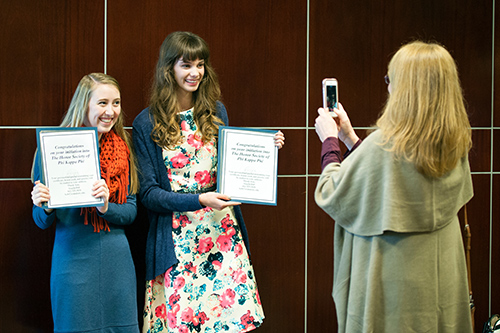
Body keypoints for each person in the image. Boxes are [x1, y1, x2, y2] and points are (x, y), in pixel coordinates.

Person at [314, 41, 473, 332]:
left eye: (391, 80)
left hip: (392, 281)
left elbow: (332, 192)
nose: (388, 88)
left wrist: (330, 140)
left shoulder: (385, 145)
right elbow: (393, 179)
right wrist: (351, 139)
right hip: (440, 279)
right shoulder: (455, 142)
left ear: (406, 89)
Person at [133, 31, 284, 333]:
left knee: (228, 324)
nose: (195, 73)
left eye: (200, 65)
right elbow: (149, 195)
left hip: (222, 234)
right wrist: (199, 200)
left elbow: (232, 168)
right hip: (177, 243)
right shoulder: (146, 122)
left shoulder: (216, 112)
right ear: (169, 69)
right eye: (186, 65)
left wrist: (267, 148)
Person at [31, 73, 140, 333]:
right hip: (72, 262)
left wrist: (106, 207)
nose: (111, 111)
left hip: (117, 265)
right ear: (84, 105)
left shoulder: (125, 148)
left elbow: (132, 212)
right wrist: (44, 206)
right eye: (102, 103)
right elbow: (40, 221)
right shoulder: (54, 147)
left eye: (116, 103)